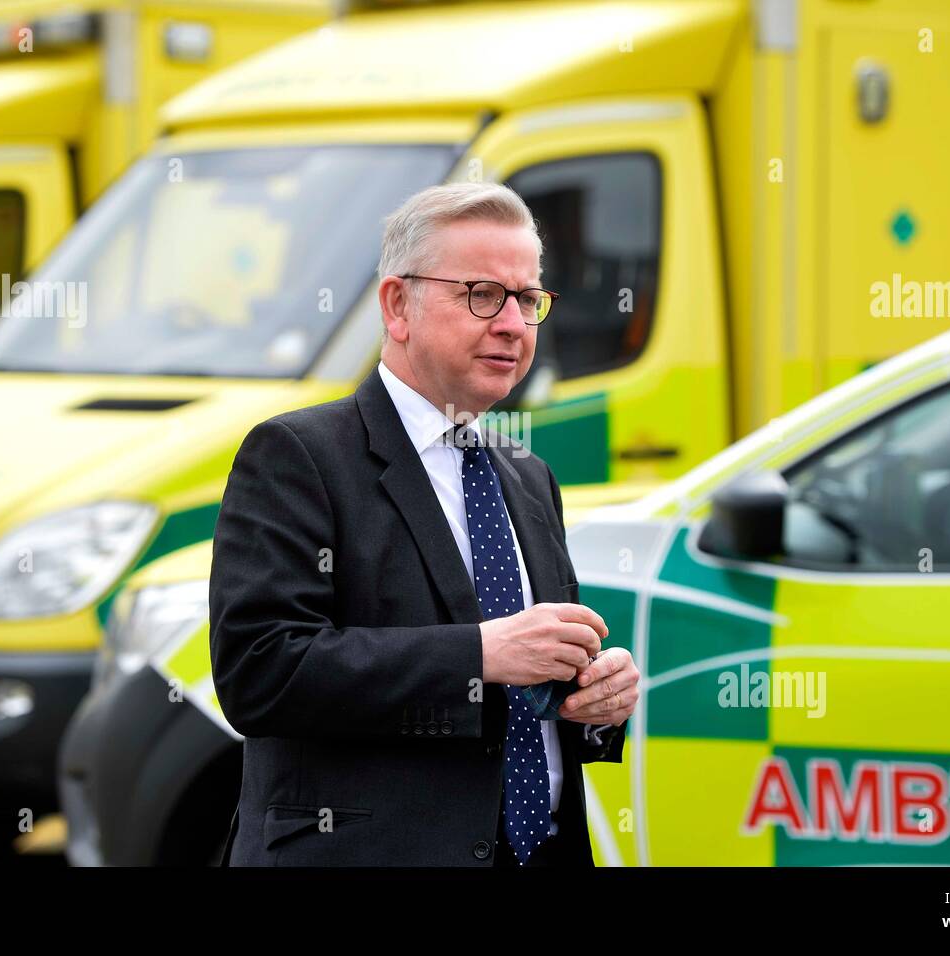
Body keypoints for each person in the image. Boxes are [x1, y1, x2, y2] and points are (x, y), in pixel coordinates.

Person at [208, 181, 639, 867]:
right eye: (481, 294)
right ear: (397, 305)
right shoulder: (299, 455)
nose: (512, 323)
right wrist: (478, 654)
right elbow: (261, 674)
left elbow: (532, 679)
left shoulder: (527, 476)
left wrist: (592, 700)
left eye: (528, 300)